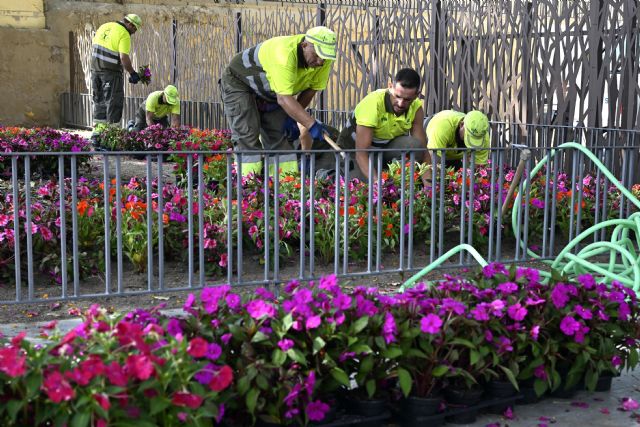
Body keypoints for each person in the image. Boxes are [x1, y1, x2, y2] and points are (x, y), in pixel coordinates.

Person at [220, 26, 337, 178]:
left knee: (281, 139)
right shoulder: (284, 54)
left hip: (272, 90)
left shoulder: (323, 61)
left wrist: (292, 117)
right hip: (240, 82)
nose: (320, 61)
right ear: (304, 46)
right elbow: (283, 99)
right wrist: (311, 124)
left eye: (325, 57)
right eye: (317, 55)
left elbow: (311, 90)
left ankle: (283, 192)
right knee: (248, 137)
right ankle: (248, 191)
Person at [332, 68, 428, 182]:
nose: (401, 104)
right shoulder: (373, 104)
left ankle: (392, 179)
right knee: (362, 186)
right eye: (397, 96)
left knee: (415, 145)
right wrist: (377, 183)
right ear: (390, 86)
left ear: (417, 95)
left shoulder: (416, 108)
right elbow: (361, 153)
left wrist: (429, 185)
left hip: (383, 149)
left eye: (407, 99)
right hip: (353, 151)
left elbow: (423, 149)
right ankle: (328, 174)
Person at [90, 14, 142, 134]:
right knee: (114, 102)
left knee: (99, 101)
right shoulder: (124, 33)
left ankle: (97, 135)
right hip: (111, 72)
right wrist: (132, 73)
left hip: (95, 70)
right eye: (135, 29)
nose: (134, 32)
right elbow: (123, 57)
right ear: (130, 24)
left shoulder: (104, 26)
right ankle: (112, 135)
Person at [425, 109, 490, 170]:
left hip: (455, 156)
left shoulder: (483, 134)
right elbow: (433, 161)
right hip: (431, 141)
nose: (471, 144)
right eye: (469, 137)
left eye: (476, 140)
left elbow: (479, 168)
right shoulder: (442, 127)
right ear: (461, 125)